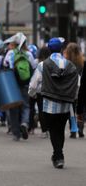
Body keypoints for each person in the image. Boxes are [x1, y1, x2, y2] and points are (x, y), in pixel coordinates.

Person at [39, 38, 79, 169]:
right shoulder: (71, 66)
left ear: (49, 49)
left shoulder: (43, 65)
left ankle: (58, 155)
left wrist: (32, 94)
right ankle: (58, 155)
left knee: (53, 130)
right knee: (60, 130)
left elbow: (34, 85)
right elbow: (77, 85)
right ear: (62, 49)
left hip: (49, 104)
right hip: (66, 105)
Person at [3, 33, 37, 141]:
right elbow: (34, 68)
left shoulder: (10, 53)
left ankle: (16, 134)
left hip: (13, 84)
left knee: (14, 108)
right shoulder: (29, 54)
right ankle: (24, 123)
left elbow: (5, 65)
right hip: (25, 83)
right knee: (26, 106)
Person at [63, 42, 84, 139]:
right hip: (81, 89)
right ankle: (80, 129)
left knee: (70, 109)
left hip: (70, 88)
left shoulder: (66, 62)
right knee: (81, 109)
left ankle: (73, 130)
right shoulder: (82, 62)